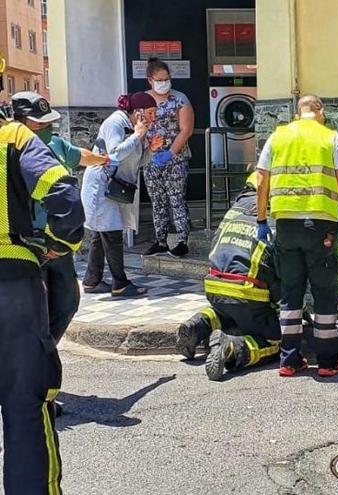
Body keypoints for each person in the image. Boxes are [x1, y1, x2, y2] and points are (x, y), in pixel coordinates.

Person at [0, 91, 85, 494]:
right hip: (13, 283)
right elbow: (66, 201)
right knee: (25, 408)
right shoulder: (13, 138)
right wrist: (56, 245)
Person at [256, 94, 338, 378]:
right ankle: (327, 361)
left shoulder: (277, 138)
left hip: (285, 225)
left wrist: (262, 219)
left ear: (297, 113)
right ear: (320, 112)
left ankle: (289, 360)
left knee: (291, 292)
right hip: (320, 224)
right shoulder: (330, 138)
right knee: (324, 292)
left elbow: (261, 180)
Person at [12, 91, 108, 343]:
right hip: (30, 245)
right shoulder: (14, 154)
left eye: (48, 121)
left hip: (60, 243)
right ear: (20, 122)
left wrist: (105, 160)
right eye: (38, 123)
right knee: (36, 311)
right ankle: (38, 365)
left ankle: (46, 351)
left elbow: (79, 155)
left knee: (67, 303)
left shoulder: (55, 143)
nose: (45, 127)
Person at [177, 173, 282, 381]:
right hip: (247, 294)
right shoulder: (272, 218)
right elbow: (276, 269)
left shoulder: (232, 212)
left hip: (215, 286)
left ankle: (197, 326)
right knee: (274, 341)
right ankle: (231, 348)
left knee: (225, 313)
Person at [81, 92, 161, 297]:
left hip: (115, 185)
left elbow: (138, 162)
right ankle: (120, 283)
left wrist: (150, 149)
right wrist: (137, 135)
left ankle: (91, 280)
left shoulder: (138, 129)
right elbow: (114, 154)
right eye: (151, 113)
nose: (153, 118)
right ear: (138, 112)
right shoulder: (115, 123)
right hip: (101, 185)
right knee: (112, 232)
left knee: (102, 233)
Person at [142, 58, 195, 258]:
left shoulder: (180, 99)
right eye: (159, 79)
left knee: (176, 198)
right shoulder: (142, 100)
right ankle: (161, 240)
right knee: (157, 200)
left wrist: (171, 152)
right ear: (150, 80)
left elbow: (186, 129)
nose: (164, 82)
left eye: (167, 78)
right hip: (151, 159)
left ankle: (182, 239)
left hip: (175, 158)